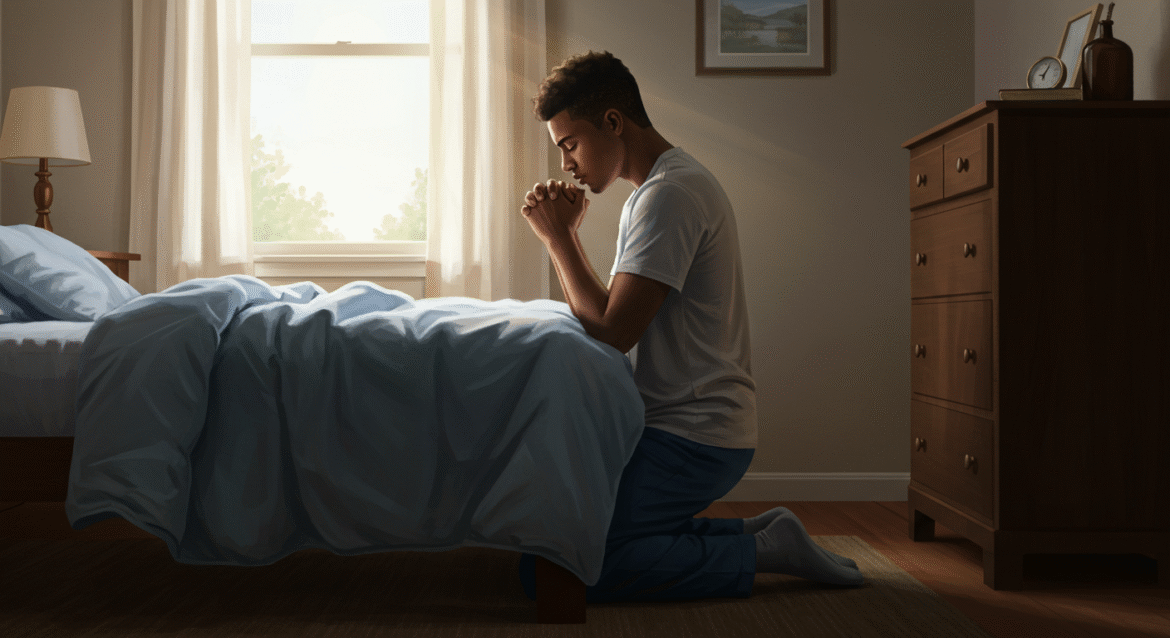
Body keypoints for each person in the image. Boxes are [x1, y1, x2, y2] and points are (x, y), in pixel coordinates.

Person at [517, 50, 864, 603]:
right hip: (676, 426)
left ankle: (763, 553)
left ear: (612, 122)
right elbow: (610, 319)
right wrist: (565, 235)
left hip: (695, 436)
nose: (566, 164)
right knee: (555, 547)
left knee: (568, 569)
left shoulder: (668, 196)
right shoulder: (654, 192)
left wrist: (559, 238)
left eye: (569, 144)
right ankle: (755, 532)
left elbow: (611, 331)